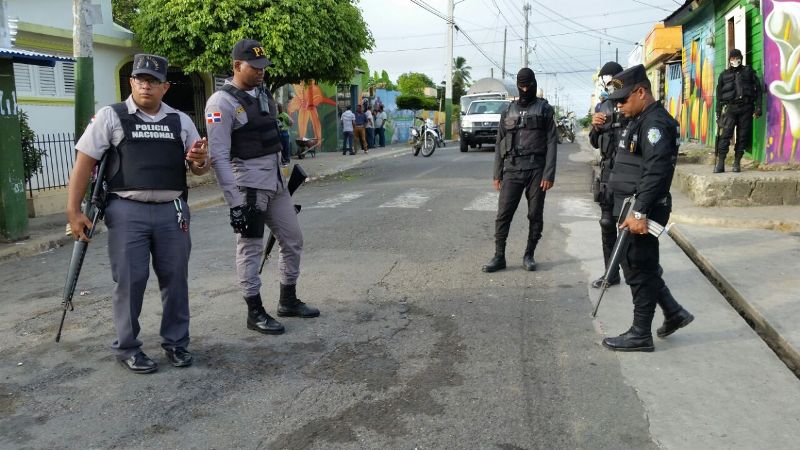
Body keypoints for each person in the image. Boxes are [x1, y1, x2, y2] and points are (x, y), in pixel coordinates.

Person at [66, 54, 210, 374]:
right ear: (131, 82)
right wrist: (73, 211)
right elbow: (84, 163)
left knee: (176, 280)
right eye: (141, 79)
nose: (147, 85)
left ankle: (176, 342)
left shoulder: (180, 121)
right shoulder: (111, 116)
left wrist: (200, 160)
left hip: (172, 211)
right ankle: (128, 347)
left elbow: (198, 169)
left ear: (165, 87)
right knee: (130, 281)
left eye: (154, 81)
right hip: (127, 210)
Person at [205, 39, 320, 338]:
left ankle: (288, 300)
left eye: (263, 68)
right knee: (251, 249)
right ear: (236, 66)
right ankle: (254, 311)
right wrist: (234, 203)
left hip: (276, 182)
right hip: (249, 187)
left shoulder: (263, 94)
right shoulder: (221, 102)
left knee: (293, 239)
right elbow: (218, 156)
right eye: (254, 68)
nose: (260, 73)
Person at [603, 64, 694, 352]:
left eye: (623, 100)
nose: (619, 106)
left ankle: (640, 334)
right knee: (642, 266)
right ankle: (674, 312)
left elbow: (656, 171)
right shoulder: (641, 118)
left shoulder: (655, 124)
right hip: (631, 205)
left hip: (642, 208)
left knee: (639, 269)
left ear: (641, 92)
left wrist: (639, 211)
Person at [483, 67, 557, 273]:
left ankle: (529, 254)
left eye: (528, 85)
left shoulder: (544, 109)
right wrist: (497, 173)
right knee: (503, 214)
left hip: (536, 170)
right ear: (517, 86)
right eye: (521, 86)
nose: (525, 89)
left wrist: (549, 173)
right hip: (512, 169)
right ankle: (499, 256)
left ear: (534, 84)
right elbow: (499, 142)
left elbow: (552, 142)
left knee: (535, 214)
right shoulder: (508, 110)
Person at [588, 61, 626, 289]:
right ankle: (610, 273)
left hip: (629, 173)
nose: (607, 84)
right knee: (606, 223)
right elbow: (594, 141)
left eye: (610, 79)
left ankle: (644, 269)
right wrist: (594, 127)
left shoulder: (630, 104)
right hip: (607, 172)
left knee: (630, 224)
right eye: (604, 80)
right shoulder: (601, 108)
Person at [714, 49, 762, 173]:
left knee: (742, 137)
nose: (735, 60)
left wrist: (758, 108)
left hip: (746, 109)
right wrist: (718, 113)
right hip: (730, 109)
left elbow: (758, 90)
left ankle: (736, 163)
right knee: (725, 136)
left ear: (741, 58)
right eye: (732, 58)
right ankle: (720, 163)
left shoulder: (749, 72)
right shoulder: (723, 75)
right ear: (729, 60)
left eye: (737, 58)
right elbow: (719, 95)